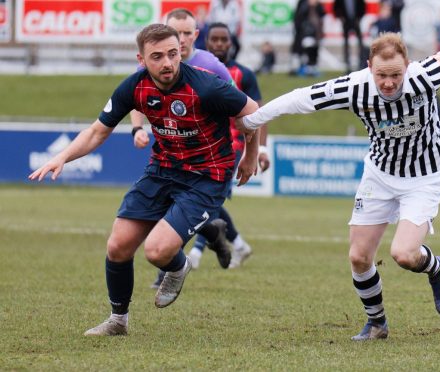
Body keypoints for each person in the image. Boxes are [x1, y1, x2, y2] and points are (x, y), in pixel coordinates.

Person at [237, 31, 440, 340]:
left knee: (404, 254)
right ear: (369, 67)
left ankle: (436, 269)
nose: (389, 83)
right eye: (381, 75)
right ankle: (377, 323)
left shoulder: (426, 76)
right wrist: (253, 120)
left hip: (423, 178)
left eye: (396, 74)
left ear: (408, 65)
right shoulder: (355, 88)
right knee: (359, 256)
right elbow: (302, 98)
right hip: (379, 175)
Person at [29, 24, 259, 336]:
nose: (168, 63)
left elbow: (252, 110)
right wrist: (62, 156)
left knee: (157, 251)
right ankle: (117, 321)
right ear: (141, 59)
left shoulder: (206, 86)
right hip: (163, 169)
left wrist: (249, 154)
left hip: (207, 175)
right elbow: (99, 130)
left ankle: (177, 266)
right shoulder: (134, 87)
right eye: (158, 56)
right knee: (118, 245)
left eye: (173, 54)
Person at [129, 10, 237, 288]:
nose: (182, 39)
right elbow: (135, 97)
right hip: (170, 156)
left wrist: (250, 149)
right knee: (161, 205)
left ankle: (172, 263)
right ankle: (212, 233)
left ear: (195, 35)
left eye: (187, 33)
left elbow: (240, 105)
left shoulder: (211, 66)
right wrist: (137, 129)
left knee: (178, 211)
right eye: (176, 32)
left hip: (209, 158)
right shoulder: (150, 64)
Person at [182, 21, 270, 270]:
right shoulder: (197, 69)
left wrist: (260, 149)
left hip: (232, 146)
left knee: (207, 199)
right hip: (202, 145)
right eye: (215, 39)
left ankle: (196, 253)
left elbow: (260, 113)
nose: (219, 44)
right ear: (206, 42)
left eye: (224, 39)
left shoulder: (244, 74)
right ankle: (240, 245)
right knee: (210, 200)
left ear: (231, 43)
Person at [333, 0, 366, 73]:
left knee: (360, 44)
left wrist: (359, 19)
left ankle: (361, 63)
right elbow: (336, 8)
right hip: (346, 22)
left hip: (356, 21)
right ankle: (347, 65)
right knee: (346, 45)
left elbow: (363, 7)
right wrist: (341, 18)